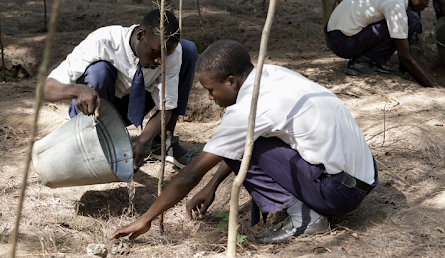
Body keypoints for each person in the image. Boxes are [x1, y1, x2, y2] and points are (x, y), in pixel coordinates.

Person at [109, 40, 378, 244]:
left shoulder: (249, 108)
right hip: (362, 176)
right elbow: (235, 148)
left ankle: (305, 219)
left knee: (253, 146)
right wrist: (213, 186)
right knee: (250, 143)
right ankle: (306, 202)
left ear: (231, 81)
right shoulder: (270, 74)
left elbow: (190, 175)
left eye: (211, 90)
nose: (211, 98)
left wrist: (145, 219)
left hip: (340, 193)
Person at [42, 9, 199, 170]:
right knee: (99, 72)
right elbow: (46, 89)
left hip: (130, 108)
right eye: (155, 52)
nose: (160, 61)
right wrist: (78, 90)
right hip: (94, 108)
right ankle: (93, 140)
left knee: (188, 50)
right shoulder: (103, 40)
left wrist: (142, 141)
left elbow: (166, 107)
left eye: (165, 55)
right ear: (140, 35)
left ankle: (163, 142)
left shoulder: (171, 54)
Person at [325, 0, 441, 87]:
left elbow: (406, 50)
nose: (427, 5)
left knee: (408, 21)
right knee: (410, 21)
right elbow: (405, 55)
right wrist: (434, 86)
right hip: (342, 42)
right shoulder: (395, 4)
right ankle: (362, 63)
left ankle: (365, 61)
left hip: (336, 36)